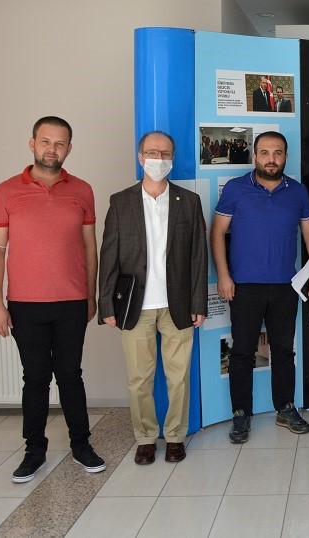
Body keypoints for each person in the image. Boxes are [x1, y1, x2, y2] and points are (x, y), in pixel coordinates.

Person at [0, 116, 105, 483]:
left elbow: (90, 247)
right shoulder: (6, 191)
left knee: (70, 375)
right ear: (32, 143)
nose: (52, 149)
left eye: (60, 143)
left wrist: (90, 295)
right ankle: (34, 450)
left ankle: (81, 445)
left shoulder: (82, 190)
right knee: (35, 378)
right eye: (46, 141)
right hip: (25, 304)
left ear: (69, 149)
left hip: (72, 301)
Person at [98, 131, 208, 465]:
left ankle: (175, 437)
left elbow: (198, 257)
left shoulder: (189, 201)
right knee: (139, 380)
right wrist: (107, 305)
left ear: (173, 158)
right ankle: (145, 438)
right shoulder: (121, 201)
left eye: (165, 153)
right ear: (140, 156)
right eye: (152, 152)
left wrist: (199, 303)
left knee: (179, 378)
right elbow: (109, 256)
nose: (158, 159)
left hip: (178, 305)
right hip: (135, 306)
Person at [212, 131, 309, 444]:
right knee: (242, 352)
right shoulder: (235, 188)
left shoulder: (298, 191)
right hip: (244, 287)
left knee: (284, 351)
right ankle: (241, 414)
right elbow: (217, 233)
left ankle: (285, 409)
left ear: (285, 156)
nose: (271, 159)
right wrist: (223, 275)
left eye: (277, 153)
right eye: (264, 153)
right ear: (255, 156)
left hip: (285, 287)